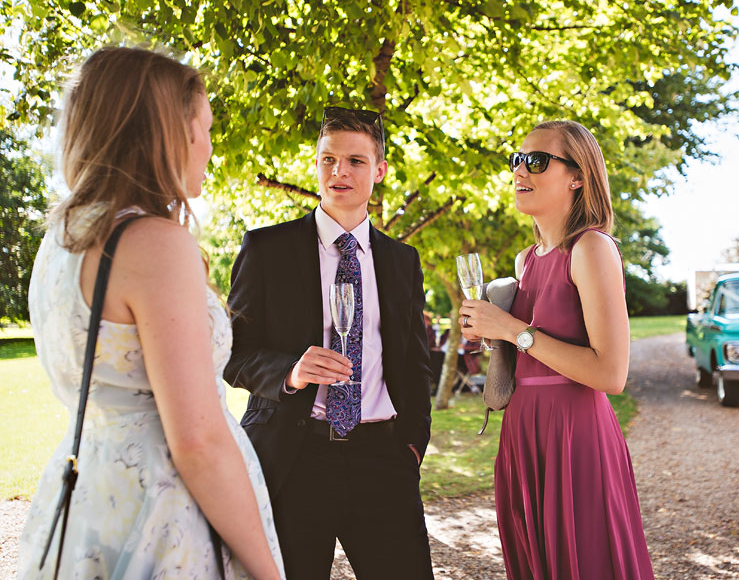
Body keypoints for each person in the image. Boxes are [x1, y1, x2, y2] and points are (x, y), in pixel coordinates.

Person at [16, 47, 284, 579]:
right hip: (163, 519)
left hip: (89, 501)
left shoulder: (63, 238)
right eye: (203, 128)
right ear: (166, 132)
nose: (209, 147)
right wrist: (270, 572)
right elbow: (198, 443)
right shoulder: (154, 244)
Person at [224, 106, 433, 579]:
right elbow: (233, 354)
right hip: (294, 458)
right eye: (328, 159)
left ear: (379, 171)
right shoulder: (266, 250)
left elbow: (414, 362)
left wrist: (413, 442)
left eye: (356, 161)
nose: (339, 171)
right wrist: (290, 373)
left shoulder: (403, 261)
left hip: (383, 458)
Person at [459, 120, 655, 579]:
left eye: (537, 161)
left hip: (574, 433)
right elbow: (526, 349)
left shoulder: (591, 248)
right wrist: (493, 335)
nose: (520, 170)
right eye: (517, 160)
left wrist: (512, 329)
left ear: (577, 176)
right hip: (524, 429)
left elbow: (611, 373)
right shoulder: (525, 260)